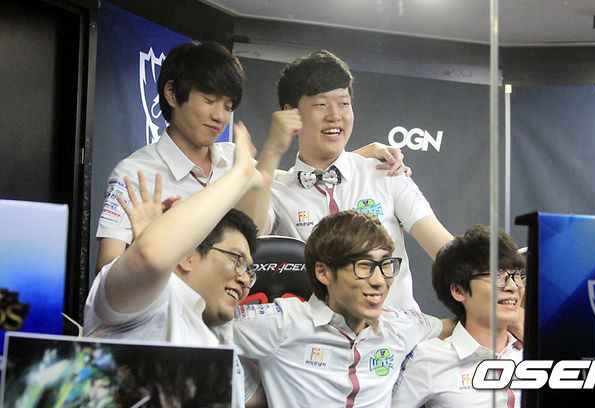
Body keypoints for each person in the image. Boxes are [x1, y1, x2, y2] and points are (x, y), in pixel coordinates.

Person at [95, 41, 410, 273]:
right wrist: (148, 254)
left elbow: (288, 181)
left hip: (234, 323)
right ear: (172, 93)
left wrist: (360, 158)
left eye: (228, 106)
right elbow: (107, 269)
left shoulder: (236, 158)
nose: (220, 116)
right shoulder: (134, 174)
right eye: (209, 100)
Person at [242, 49, 454, 310]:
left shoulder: (386, 173)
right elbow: (247, 241)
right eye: (321, 104)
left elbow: (445, 249)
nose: (335, 115)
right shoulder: (277, 192)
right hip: (318, 333)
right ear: (290, 114)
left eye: (343, 103)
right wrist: (272, 151)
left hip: (396, 332)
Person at [84, 128, 266, 407]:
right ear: (186, 256)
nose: (244, 279)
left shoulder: (217, 338)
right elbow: (149, 257)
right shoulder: (151, 303)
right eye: (236, 260)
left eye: (249, 271)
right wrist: (241, 174)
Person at [232, 210, 442, 407]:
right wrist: (250, 393)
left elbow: (451, 327)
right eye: (364, 266)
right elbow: (213, 328)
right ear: (323, 272)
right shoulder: (283, 322)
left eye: (386, 264)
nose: (379, 281)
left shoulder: (399, 325)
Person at [391, 225, 526, 408]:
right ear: (458, 291)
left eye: (518, 275)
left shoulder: (536, 352)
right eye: (497, 275)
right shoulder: (429, 358)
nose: (513, 286)